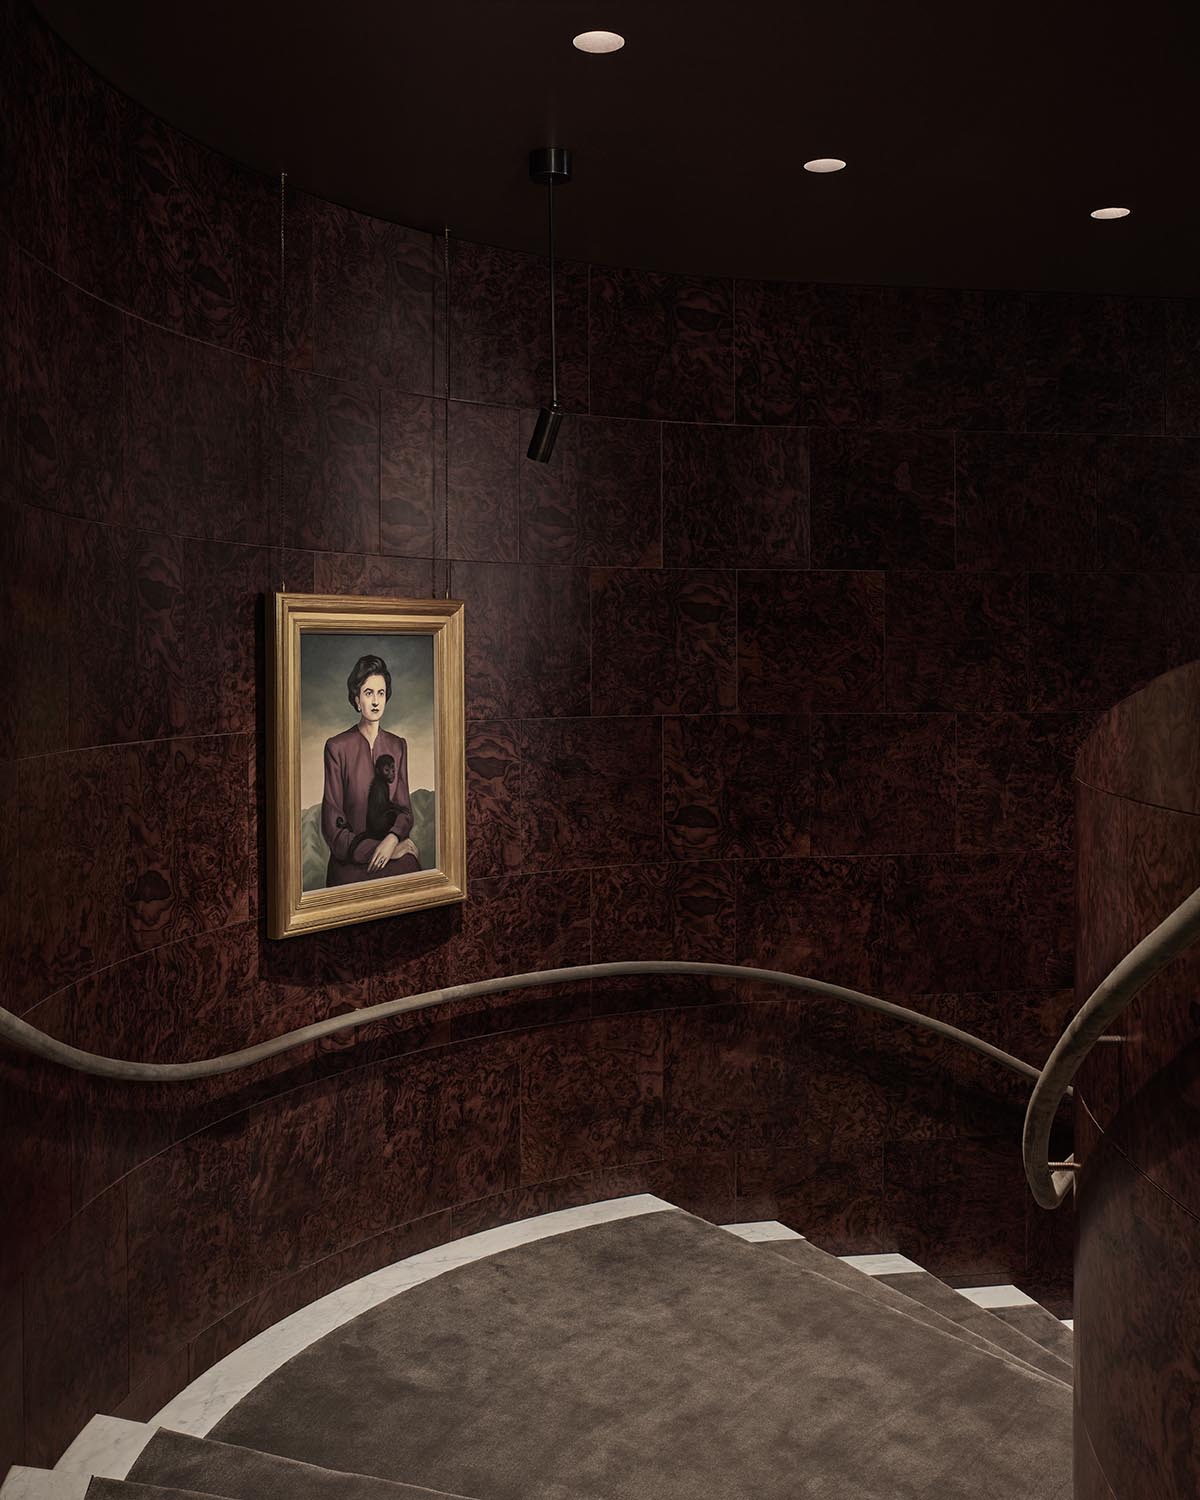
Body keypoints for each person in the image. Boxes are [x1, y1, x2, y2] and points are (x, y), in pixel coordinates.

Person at [321, 653, 421, 886]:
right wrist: (380, 848)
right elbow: (332, 825)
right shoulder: (336, 747)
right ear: (356, 699)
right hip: (351, 862)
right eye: (368, 693)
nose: (376, 701)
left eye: (381, 693)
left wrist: (392, 839)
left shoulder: (398, 745)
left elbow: (405, 811)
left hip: (392, 851)